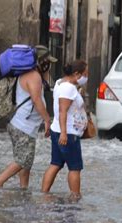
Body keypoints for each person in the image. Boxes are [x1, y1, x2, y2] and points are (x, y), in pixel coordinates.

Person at [0, 46, 57, 189]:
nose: (49, 66)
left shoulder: (30, 75)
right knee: (22, 160)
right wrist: (47, 120)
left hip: (21, 126)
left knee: (26, 162)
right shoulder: (34, 77)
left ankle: (23, 188)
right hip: (22, 127)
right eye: (47, 62)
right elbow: (37, 101)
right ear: (40, 62)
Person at [41, 60, 88, 199]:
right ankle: (75, 196)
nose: (86, 77)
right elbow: (63, 111)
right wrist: (64, 133)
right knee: (75, 167)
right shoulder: (68, 88)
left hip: (60, 131)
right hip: (68, 134)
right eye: (85, 74)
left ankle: (44, 194)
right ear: (76, 74)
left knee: (55, 163)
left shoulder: (60, 83)